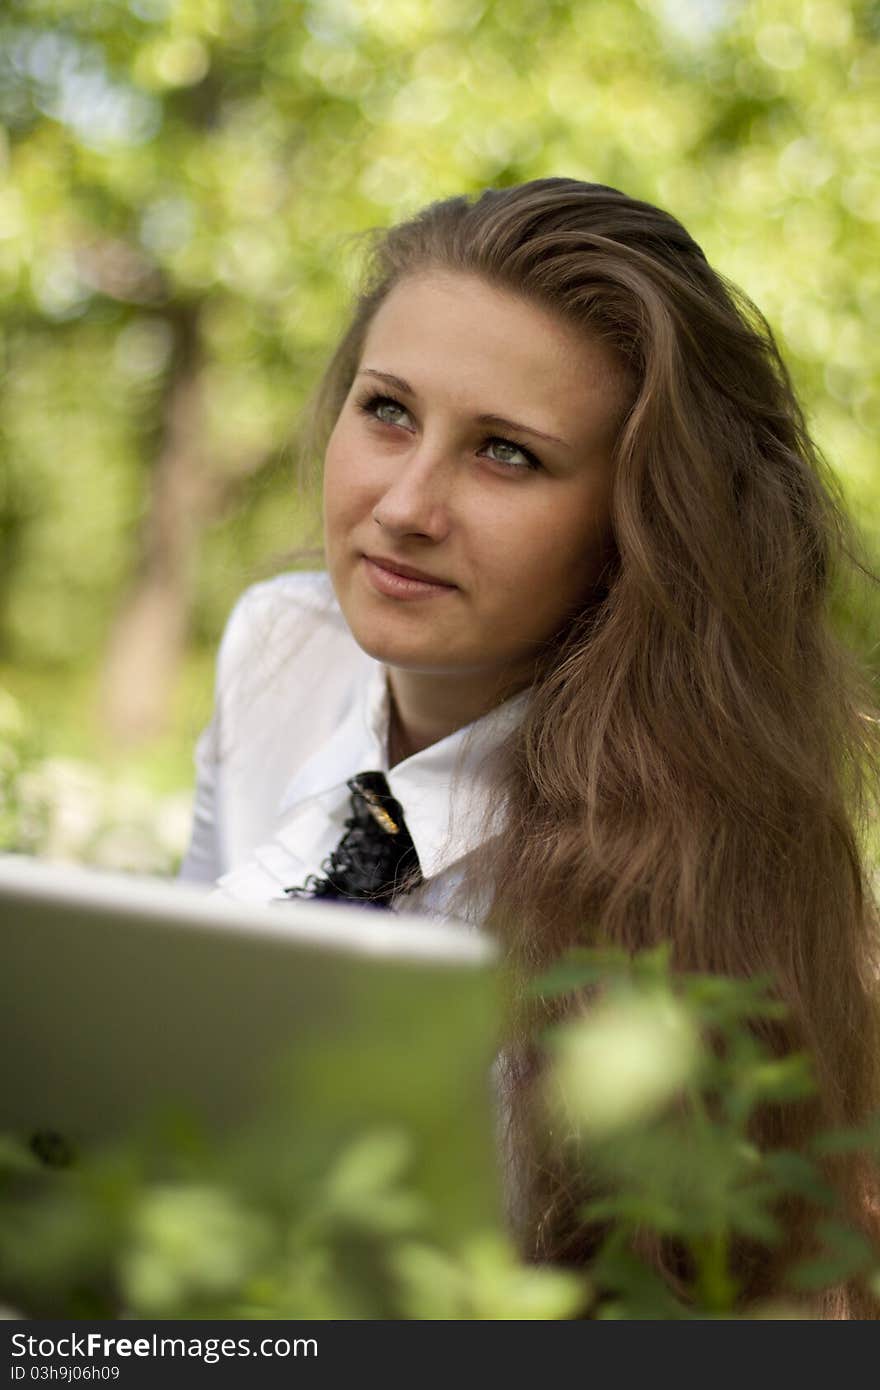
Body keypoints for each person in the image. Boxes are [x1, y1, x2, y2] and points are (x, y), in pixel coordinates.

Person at [180, 178, 880, 1316]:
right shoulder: (279, 651)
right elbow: (174, 997)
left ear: (636, 523)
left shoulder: (709, 865)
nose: (405, 505)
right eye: (389, 410)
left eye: (506, 454)